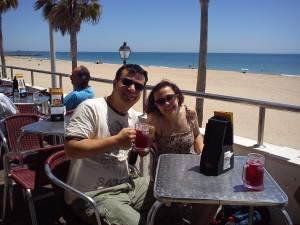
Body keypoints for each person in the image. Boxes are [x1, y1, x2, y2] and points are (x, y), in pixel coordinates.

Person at [64, 64, 154, 225]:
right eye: (127, 82)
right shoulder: (90, 108)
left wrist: (142, 150)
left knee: (167, 204)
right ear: (114, 82)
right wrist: (116, 141)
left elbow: (125, 153)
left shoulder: (133, 117)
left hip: (127, 185)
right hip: (93, 193)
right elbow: (71, 149)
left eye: (139, 86)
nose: (132, 89)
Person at [146, 80, 218, 225]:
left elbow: (197, 134)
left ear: (177, 97)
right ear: (156, 105)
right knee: (204, 197)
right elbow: (146, 146)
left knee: (215, 195)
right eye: (160, 101)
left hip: (190, 167)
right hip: (168, 173)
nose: (166, 103)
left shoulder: (190, 113)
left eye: (169, 97)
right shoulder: (155, 120)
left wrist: (203, 155)